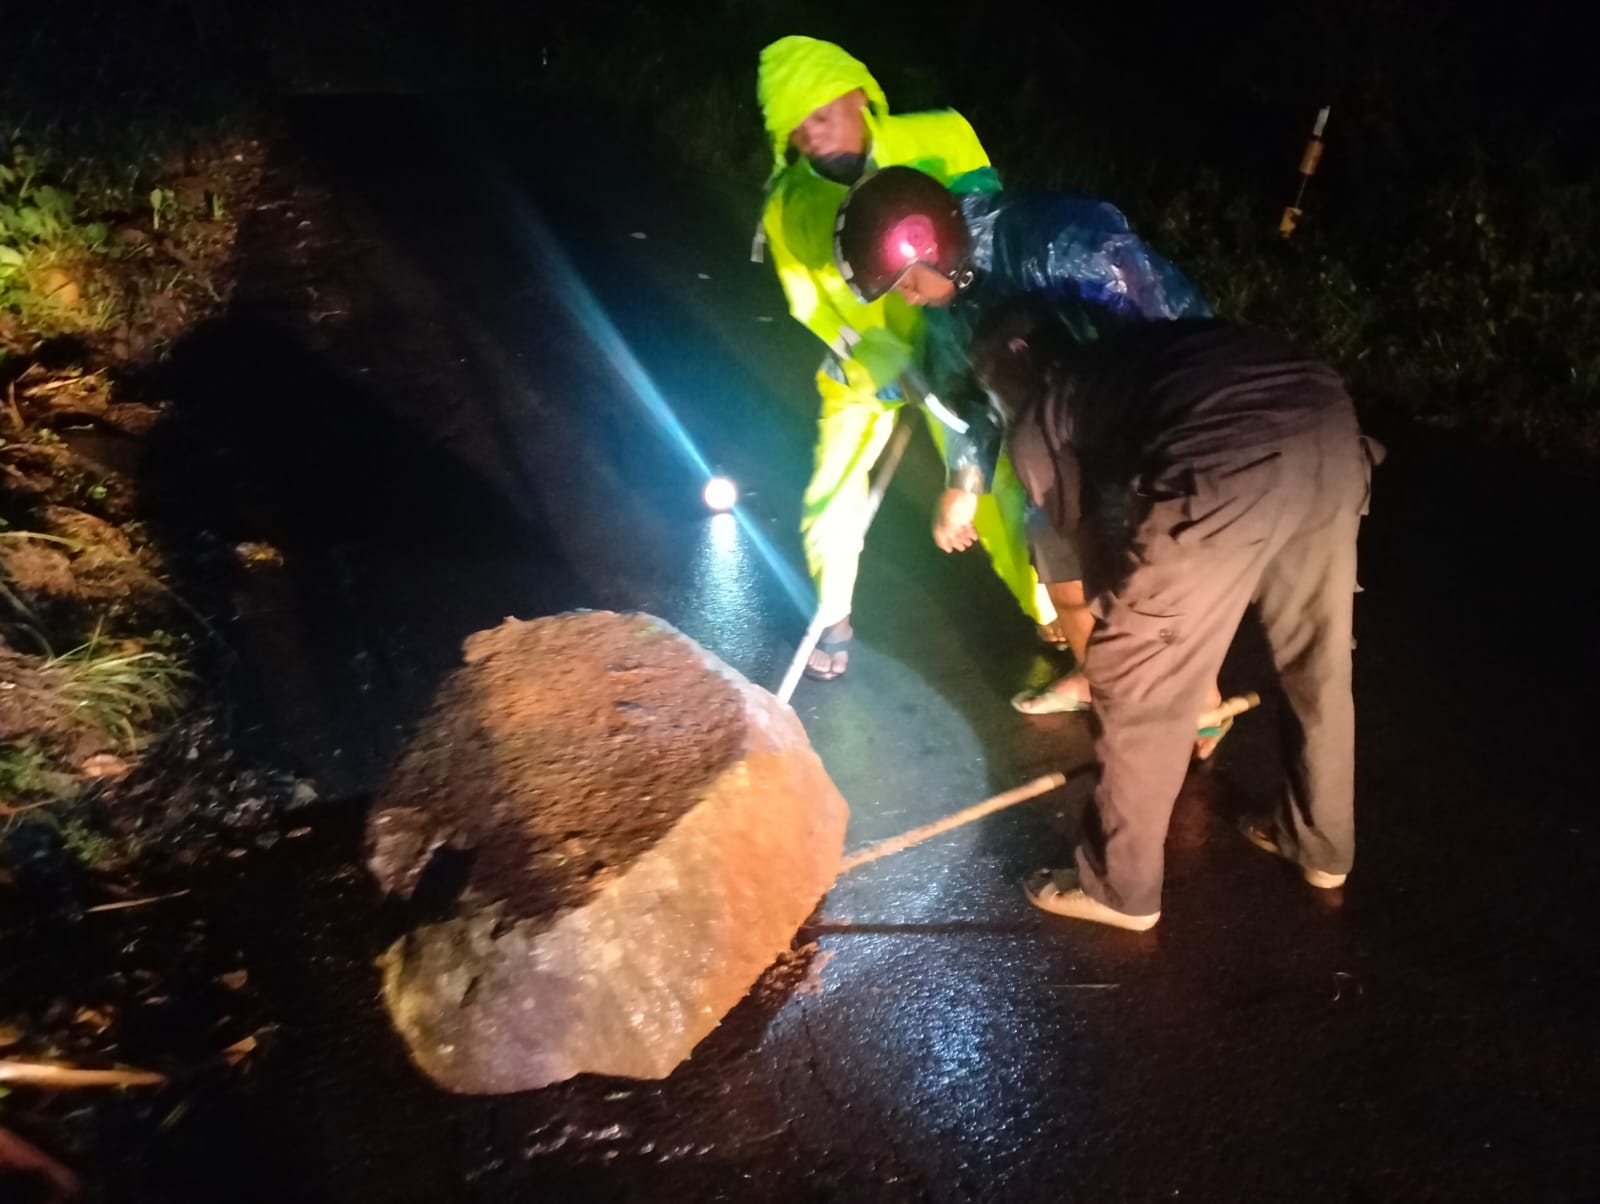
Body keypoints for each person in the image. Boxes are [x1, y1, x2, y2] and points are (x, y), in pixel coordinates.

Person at [971, 298, 1378, 930]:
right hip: (1331, 430)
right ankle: (1321, 845)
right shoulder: (1122, 359)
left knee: (1134, 670)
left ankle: (1116, 887)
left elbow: (1083, 550)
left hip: (1229, 458)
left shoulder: (1042, 412)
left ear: (1008, 363)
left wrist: (1144, 650)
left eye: (987, 383)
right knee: (1316, 658)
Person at [831, 165, 1216, 723]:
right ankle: (1096, 679)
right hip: (1053, 447)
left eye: (909, 283)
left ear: (929, 243)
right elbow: (965, 396)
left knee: (1153, 581)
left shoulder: (1050, 240)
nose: (910, 299)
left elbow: (1167, 316)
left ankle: (1201, 704)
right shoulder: (948, 309)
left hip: (1138, 423)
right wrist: (964, 485)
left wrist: (1180, 428)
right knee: (1063, 575)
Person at [755, 36, 1054, 682]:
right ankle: (832, 615)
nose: (812, 135)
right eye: (796, 128)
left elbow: (987, 233)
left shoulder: (940, 137)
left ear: (859, 95)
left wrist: (962, 348)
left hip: (959, 341)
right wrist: (883, 365)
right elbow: (812, 307)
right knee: (831, 487)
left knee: (995, 481)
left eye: (822, 114)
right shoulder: (789, 207)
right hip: (874, 365)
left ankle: (1050, 606)